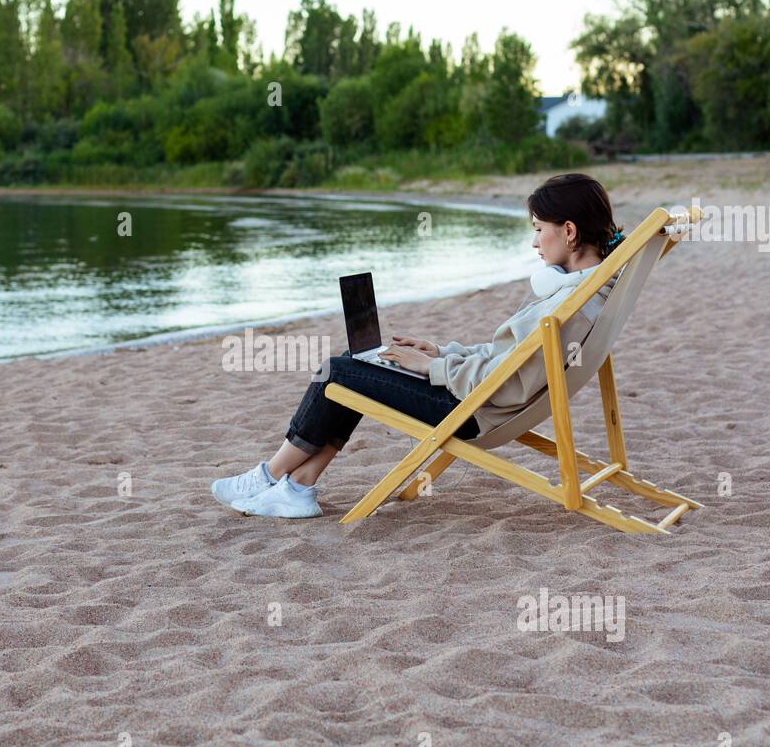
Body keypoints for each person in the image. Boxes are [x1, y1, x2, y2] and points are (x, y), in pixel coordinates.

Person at [211, 173, 625, 519]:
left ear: (568, 231)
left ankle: (267, 475)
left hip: (472, 410)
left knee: (338, 372)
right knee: (360, 366)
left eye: (538, 229)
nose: (535, 243)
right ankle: (298, 486)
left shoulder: (572, 306)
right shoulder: (585, 293)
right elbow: (511, 359)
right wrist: (440, 352)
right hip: (477, 397)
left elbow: (509, 382)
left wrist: (433, 370)